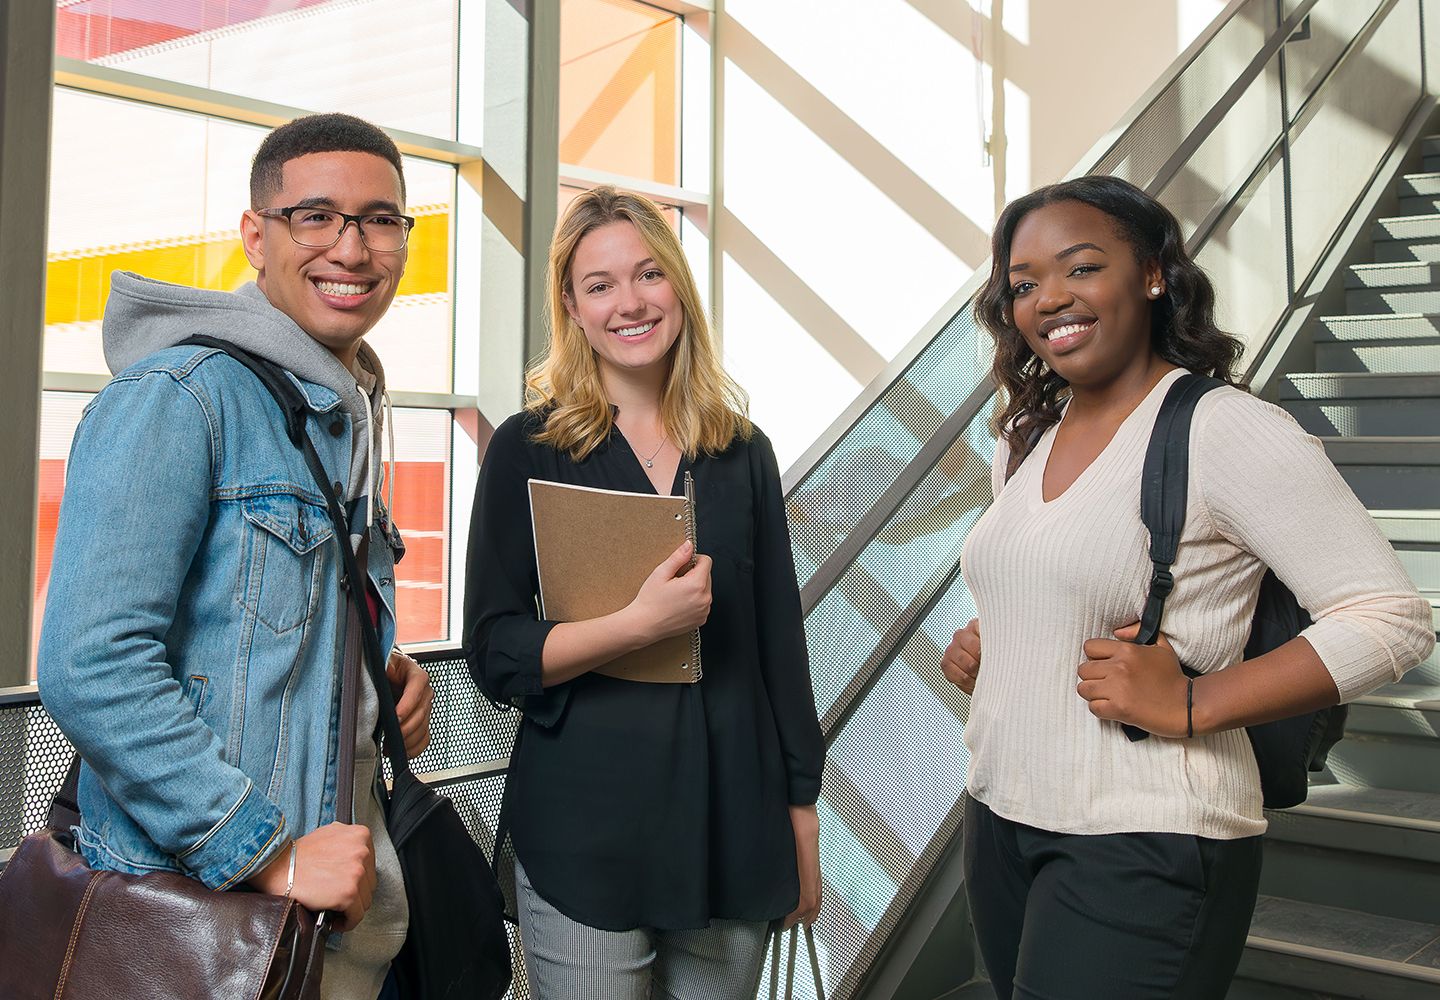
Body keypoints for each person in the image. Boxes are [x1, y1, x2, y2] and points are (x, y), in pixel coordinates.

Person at [941, 175, 1435, 998]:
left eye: (1082, 267)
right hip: (999, 813)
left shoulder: (1223, 428)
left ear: (1153, 273)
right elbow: (1067, 578)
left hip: (1146, 832)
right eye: (1023, 284)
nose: (1050, 298)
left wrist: (1193, 705)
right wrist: (1002, 642)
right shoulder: (1026, 438)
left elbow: (1391, 618)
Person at [38, 113, 436, 1000]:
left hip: (329, 919)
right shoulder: (178, 398)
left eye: (381, 220)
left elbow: (260, 620)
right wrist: (264, 851)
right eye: (317, 217)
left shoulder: (345, 405)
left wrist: (374, 674)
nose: (353, 248)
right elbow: (89, 664)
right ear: (256, 236)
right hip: (206, 917)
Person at [464, 186, 824, 999]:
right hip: (586, 829)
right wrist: (635, 625)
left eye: (649, 275)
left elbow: (780, 652)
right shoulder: (530, 449)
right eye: (600, 285)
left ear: (679, 288)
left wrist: (803, 817)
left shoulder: (741, 452)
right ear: (571, 306)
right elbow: (495, 652)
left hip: (734, 821)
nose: (630, 303)